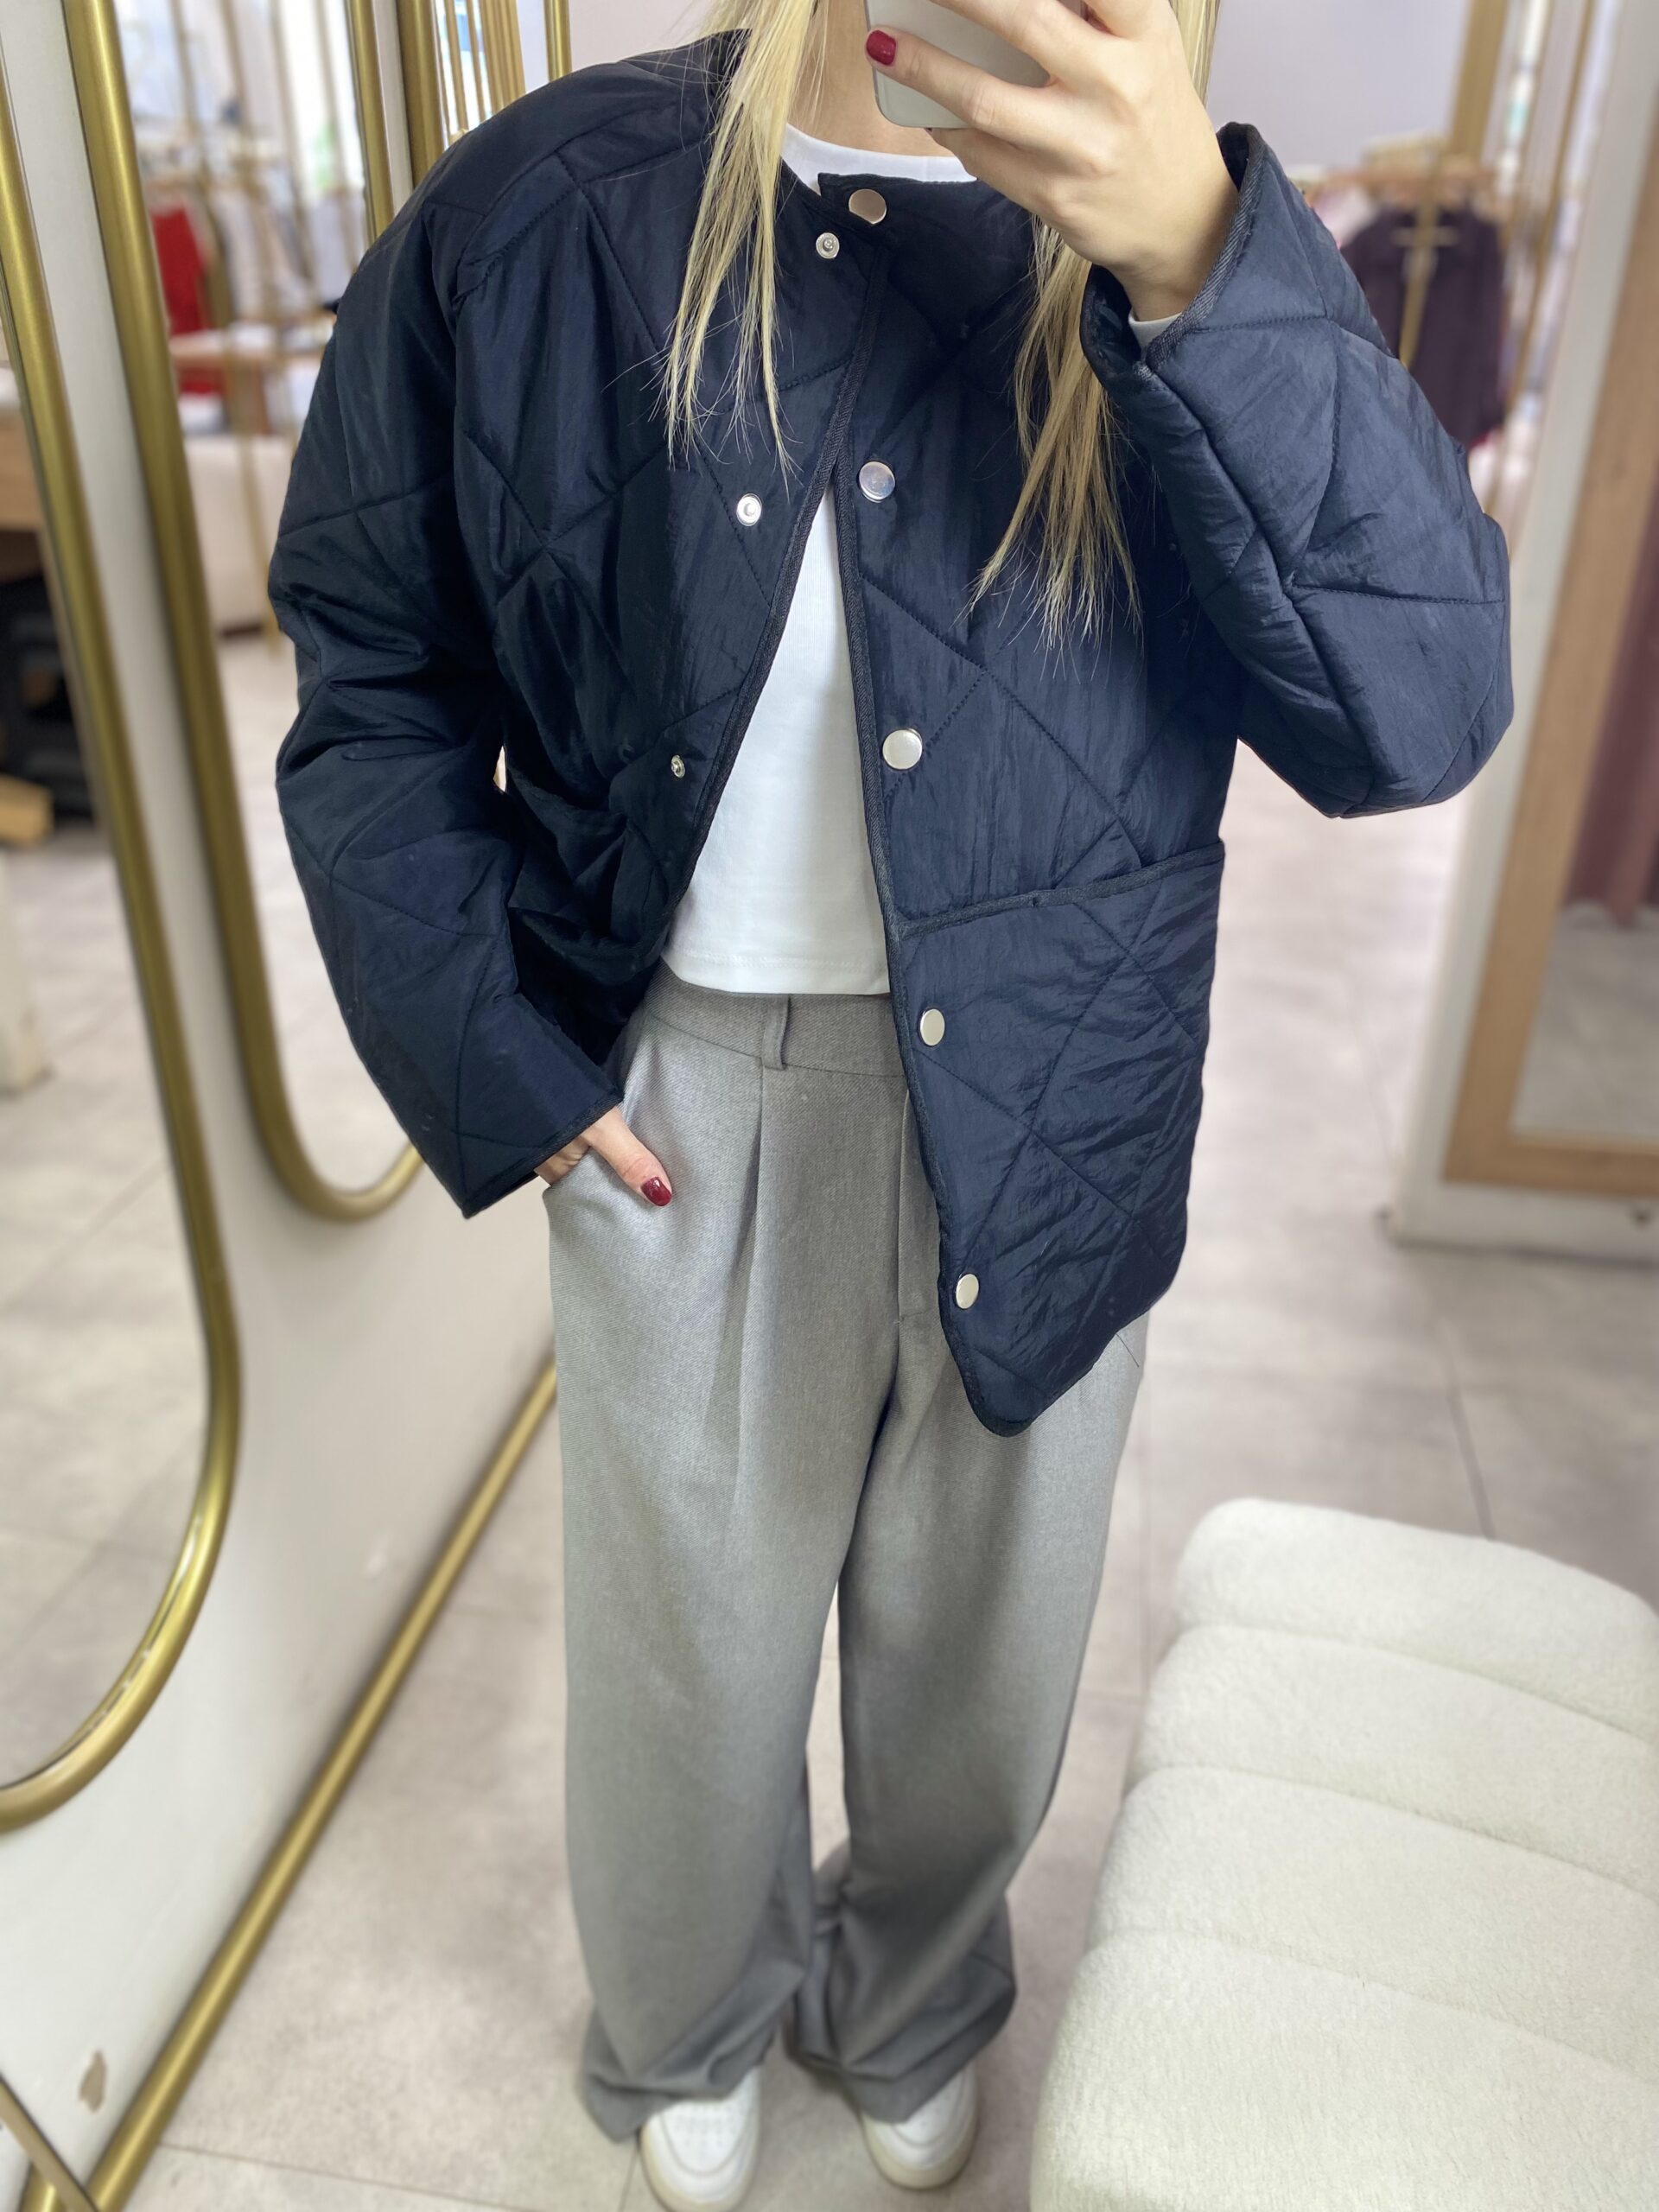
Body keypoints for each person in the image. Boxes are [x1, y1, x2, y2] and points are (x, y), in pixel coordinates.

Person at [268, 0, 1512, 2203]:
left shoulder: (1205, 237)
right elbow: (374, 661)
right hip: (681, 1097)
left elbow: (1415, 711)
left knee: (986, 1668)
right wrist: (494, 1053)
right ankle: (683, 2024)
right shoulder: (551, 208)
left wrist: (1200, 266)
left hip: (1063, 1077)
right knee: (687, 1671)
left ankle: (918, 1997)